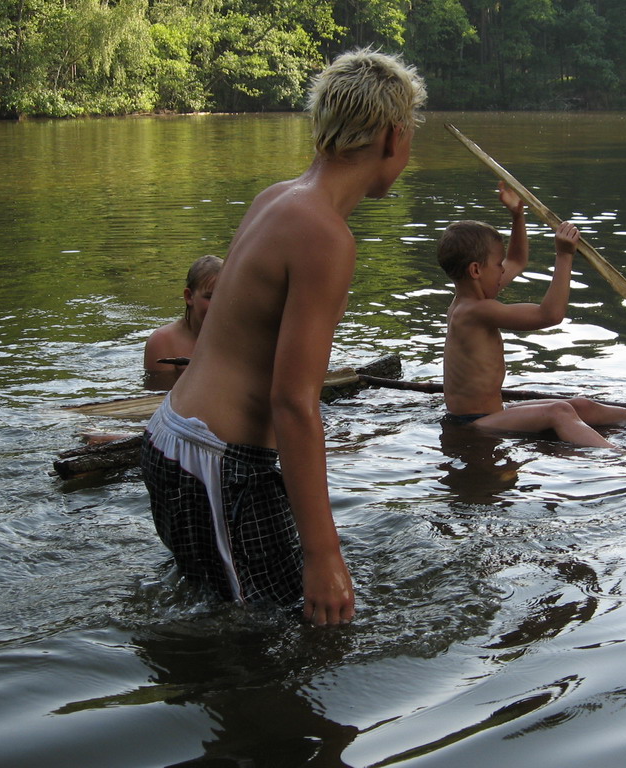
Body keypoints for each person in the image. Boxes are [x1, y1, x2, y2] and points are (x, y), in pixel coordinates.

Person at [140, 48, 426, 626]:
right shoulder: (325, 234)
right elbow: (293, 400)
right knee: (296, 631)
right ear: (394, 136)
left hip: (181, 440)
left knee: (237, 622)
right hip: (216, 460)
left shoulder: (278, 198)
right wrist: (325, 556)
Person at [437, 184, 626, 450]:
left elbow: (516, 260)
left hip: (494, 411)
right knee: (559, 412)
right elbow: (550, 315)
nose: (503, 271)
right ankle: (625, 457)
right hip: (474, 422)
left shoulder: (472, 297)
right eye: (497, 265)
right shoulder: (476, 311)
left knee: (580, 405)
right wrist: (564, 255)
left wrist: (517, 215)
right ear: (476, 270)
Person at [143, 255, 223, 389]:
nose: (218, 304)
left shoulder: (240, 336)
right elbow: (159, 397)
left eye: (223, 296)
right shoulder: (162, 341)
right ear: (189, 296)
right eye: (209, 297)